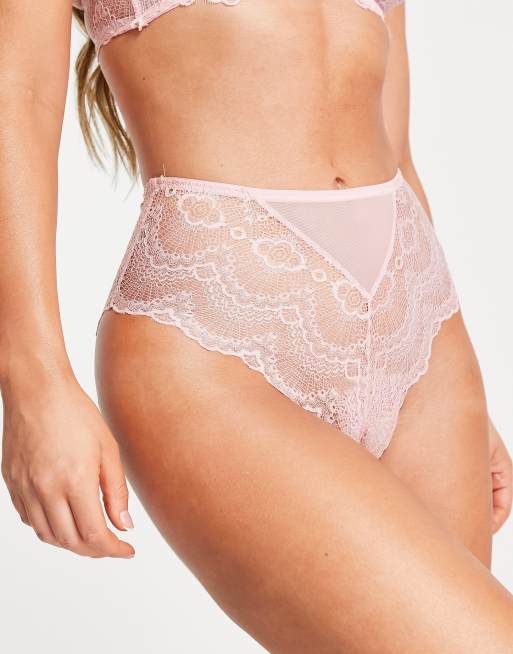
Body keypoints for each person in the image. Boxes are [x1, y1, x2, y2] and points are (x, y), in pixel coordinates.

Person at [1, 1, 512, 652]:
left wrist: (434, 349)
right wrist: (34, 384)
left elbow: (395, 146)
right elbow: (16, 97)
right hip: (214, 337)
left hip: (420, 329)